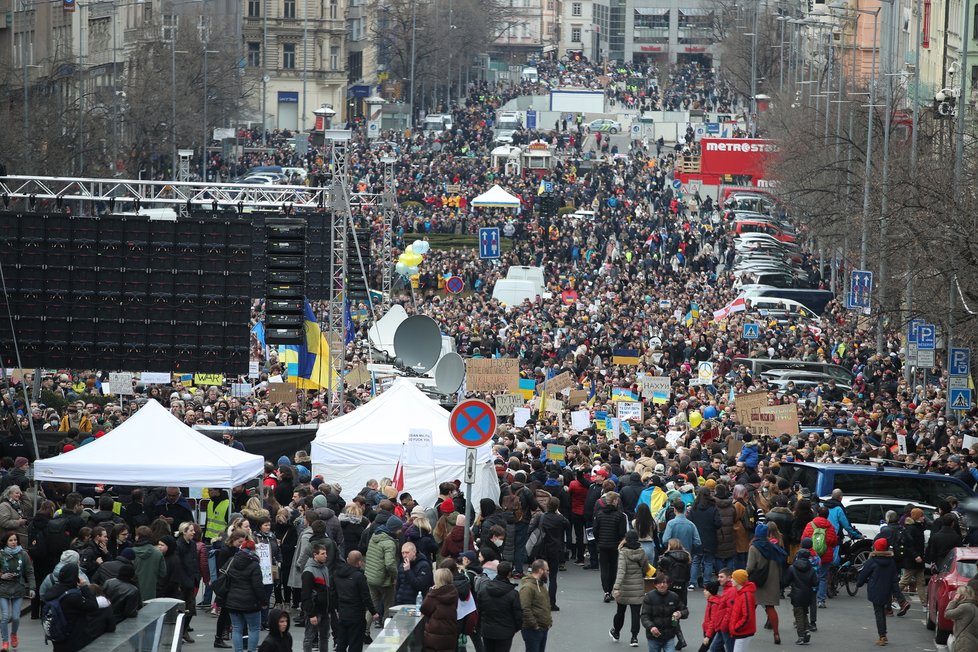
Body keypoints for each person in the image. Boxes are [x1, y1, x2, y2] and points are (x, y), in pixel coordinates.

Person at [41, 563, 99, 652]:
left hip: (58, 635)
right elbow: (93, 606)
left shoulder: (53, 591)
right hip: (74, 637)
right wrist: (84, 588)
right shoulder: (73, 596)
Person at [745, 523, 785, 645]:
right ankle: (776, 634)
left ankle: (746, 632)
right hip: (772, 580)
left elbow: (750, 567)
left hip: (757, 582)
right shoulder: (773, 546)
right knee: (770, 608)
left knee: (751, 607)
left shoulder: (754, 547)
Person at [856, 537, 902, 646]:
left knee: (879, 613)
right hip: (887, 590)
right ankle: (883, 633)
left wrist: (859, 583)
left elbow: (863, 575)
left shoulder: (871, 561)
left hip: (875, 590)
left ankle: (882, 636)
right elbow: (895, 578)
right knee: (883, 611)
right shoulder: (891, 562)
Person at [225, 539, 265, 652]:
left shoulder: (231, 561)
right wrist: (264, 601)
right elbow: (258, 586)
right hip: (251, 603)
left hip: (233, 601)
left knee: (237, 629)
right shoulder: (254, 565)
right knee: (254, 629)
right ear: (253, 550)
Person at [611, 530, 649, 648]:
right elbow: (645, 567)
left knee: (620, 612)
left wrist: (616, 587)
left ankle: (616, 632)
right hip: (637, 585)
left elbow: (621, 571)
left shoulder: (623, 552)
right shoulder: (641, 551)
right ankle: (634, 637)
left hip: (624, 587)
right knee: (635, 613)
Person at [332, 551, 375, 652]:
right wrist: (373, 612)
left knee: (341, 643)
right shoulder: (359, 577)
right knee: (355, 644)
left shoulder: (336, 574)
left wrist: (337, 609)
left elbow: (333, 594)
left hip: (342, 613)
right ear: (359, 562)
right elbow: (366, 597)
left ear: (347, 560)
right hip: (357, 616)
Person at [530, 497, 569, 610]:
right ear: (557, 507)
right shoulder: (560, 519)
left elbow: (531, 529)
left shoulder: (541, 517)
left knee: (538, 575)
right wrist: (559, 513)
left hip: (541, 548)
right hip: (555, 549)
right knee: (553, 577)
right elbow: (567, 524)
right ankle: (552, 602)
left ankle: (537, 601)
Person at [364, 515, 400, 629]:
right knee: (388, 605)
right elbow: (389, 564)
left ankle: (365, 631)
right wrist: (395, 576)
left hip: (370, 577)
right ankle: (387, 629)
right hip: (383, 579)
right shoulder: (389, 543)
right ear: (395, 529)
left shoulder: (375, 536)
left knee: (372, 605)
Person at [477, 561, 522, 652]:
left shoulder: (484, 590)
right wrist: (514, 628)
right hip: (505, 632)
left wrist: (480, 626)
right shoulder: (513, 594)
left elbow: (480, 611)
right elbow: (518, 615)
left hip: (487, 631)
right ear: (509, 574)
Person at [0, 530, 33, 651]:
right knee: (4, 617)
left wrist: (32, 587)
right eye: (11, 540)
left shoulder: (23, 554)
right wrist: (1, 575)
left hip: (18, 587)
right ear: (6, 542)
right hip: (3, 588)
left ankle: (13, 634)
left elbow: (29, 572)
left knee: (15, 617)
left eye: (15, 540)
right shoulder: (1, 554)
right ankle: (4, 641)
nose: (14, 542)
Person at [640, 573, 688, 652]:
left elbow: (685, 611)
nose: (662, 585)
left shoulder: (674, 596)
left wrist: (680, 613)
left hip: (669, 636)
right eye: (659, 583)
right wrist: (651, 627)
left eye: (664, 582)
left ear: (668, 584)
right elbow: (644, 616)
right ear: (655, 585)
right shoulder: (649, 597)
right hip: (653, 636)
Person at [800, 507, 837, 609]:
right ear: (827, 515)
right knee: (823, 577)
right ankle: (821, 600)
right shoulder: (830, 527)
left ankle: (808, 598)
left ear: (817, 514)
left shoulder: (810, 525)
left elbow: (803, 539)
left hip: (811, 555)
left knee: (808, 577)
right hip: (825, 555)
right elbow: (834, 541)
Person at [593, 492, 627, 603]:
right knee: (613, 567)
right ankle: (610, 589)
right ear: (614, 501)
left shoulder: (599, 514)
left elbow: (595, 530)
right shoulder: (620, 515)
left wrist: (598, 540)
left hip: (602, 544)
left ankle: (606, 591)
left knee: (604, 568)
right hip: (614, 545)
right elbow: (622, 532)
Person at [782, 547, 816, 645]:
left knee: (798, 615)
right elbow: (816, 582)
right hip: (808, 594)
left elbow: (785, 581)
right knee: (804, 612)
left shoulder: (792, 568)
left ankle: (801, 635)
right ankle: (806, 631)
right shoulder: (811, 569)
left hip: (796, 594)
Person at [300, 543, 331, 652]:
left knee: (324, 637)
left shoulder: (324, 568)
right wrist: (311, 614)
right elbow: (305, 595)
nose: (325, 556)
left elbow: (327, 591)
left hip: (324, 610)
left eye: (326, 553)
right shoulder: (308, 572)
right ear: (315, 555)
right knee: (309, 638)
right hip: (314, 610)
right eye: (322, 554)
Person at [688, 489, 721, 588]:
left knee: (696, 561)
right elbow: (718, 523)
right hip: (710, 538)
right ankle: (706, 582)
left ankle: (692, 582)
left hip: (697, 538)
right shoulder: (713, 508)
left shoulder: (694, 509)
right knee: (708, 562)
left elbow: (690, 522)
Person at [420, 568, 459, 652]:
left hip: (435, 633)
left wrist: (431, 592)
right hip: (450, 630)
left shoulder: (435, 594)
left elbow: (424, 609)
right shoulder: (454, 592)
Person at [519, 559, 552, 652]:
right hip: (532, 630)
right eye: (547, 570)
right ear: (541, 570)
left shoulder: (541, 585)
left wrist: (549, 622)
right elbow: (524, 608)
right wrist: (535, 625)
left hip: (542, 627)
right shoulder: (528, 588)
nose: (548, 572)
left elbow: (545, 604)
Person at [899, 507, 927, 606]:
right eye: (922, 516)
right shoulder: (912, 528)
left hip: (916, 559)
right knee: (905, 581)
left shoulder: (916, 527)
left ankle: (924, 604)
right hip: (913, 559)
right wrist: (916, 556)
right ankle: (893, 597)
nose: (924, 517)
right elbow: (909, 545)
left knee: (920, 582)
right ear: (918, 517)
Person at [131, 525, 167, 602]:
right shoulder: (158, 553)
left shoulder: (131, 552)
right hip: (152, 591)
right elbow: (163, 573)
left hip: (133, 591)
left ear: (138, 537)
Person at [394, 541, 432, 605]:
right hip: (400, 602)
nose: (404, 555)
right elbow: (398, 585)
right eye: (402, 553)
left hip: (414, 603)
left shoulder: (424, 565)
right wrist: (395, 600)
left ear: (414, 552)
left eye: (407, 552)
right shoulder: (402, 565)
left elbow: (419, 585)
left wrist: (408, 571)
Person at [727, 569, 757, 651]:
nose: (731, 580)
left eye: (733, 578)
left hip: (743, 632)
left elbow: (747, 616)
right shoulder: (740, 593)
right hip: (741, 632)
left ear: (738, 581)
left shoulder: (746, 595)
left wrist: (736, 628)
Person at [944, 584, 978, 652]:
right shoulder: (974, 607)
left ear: (962, 595)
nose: (955, 595)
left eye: (957, 593)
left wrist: (954, 601)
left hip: (964, 643)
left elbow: (947, 614)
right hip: (972, 641)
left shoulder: (964, 607)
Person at [701, 581, 725, 652]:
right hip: (708, 630)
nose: (704, 591)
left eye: (706, 590)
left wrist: (708, 636)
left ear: (711, 591)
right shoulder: (711, 601)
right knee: (719, 649)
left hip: (711, 632)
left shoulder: (714, 604)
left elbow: (713, 621)